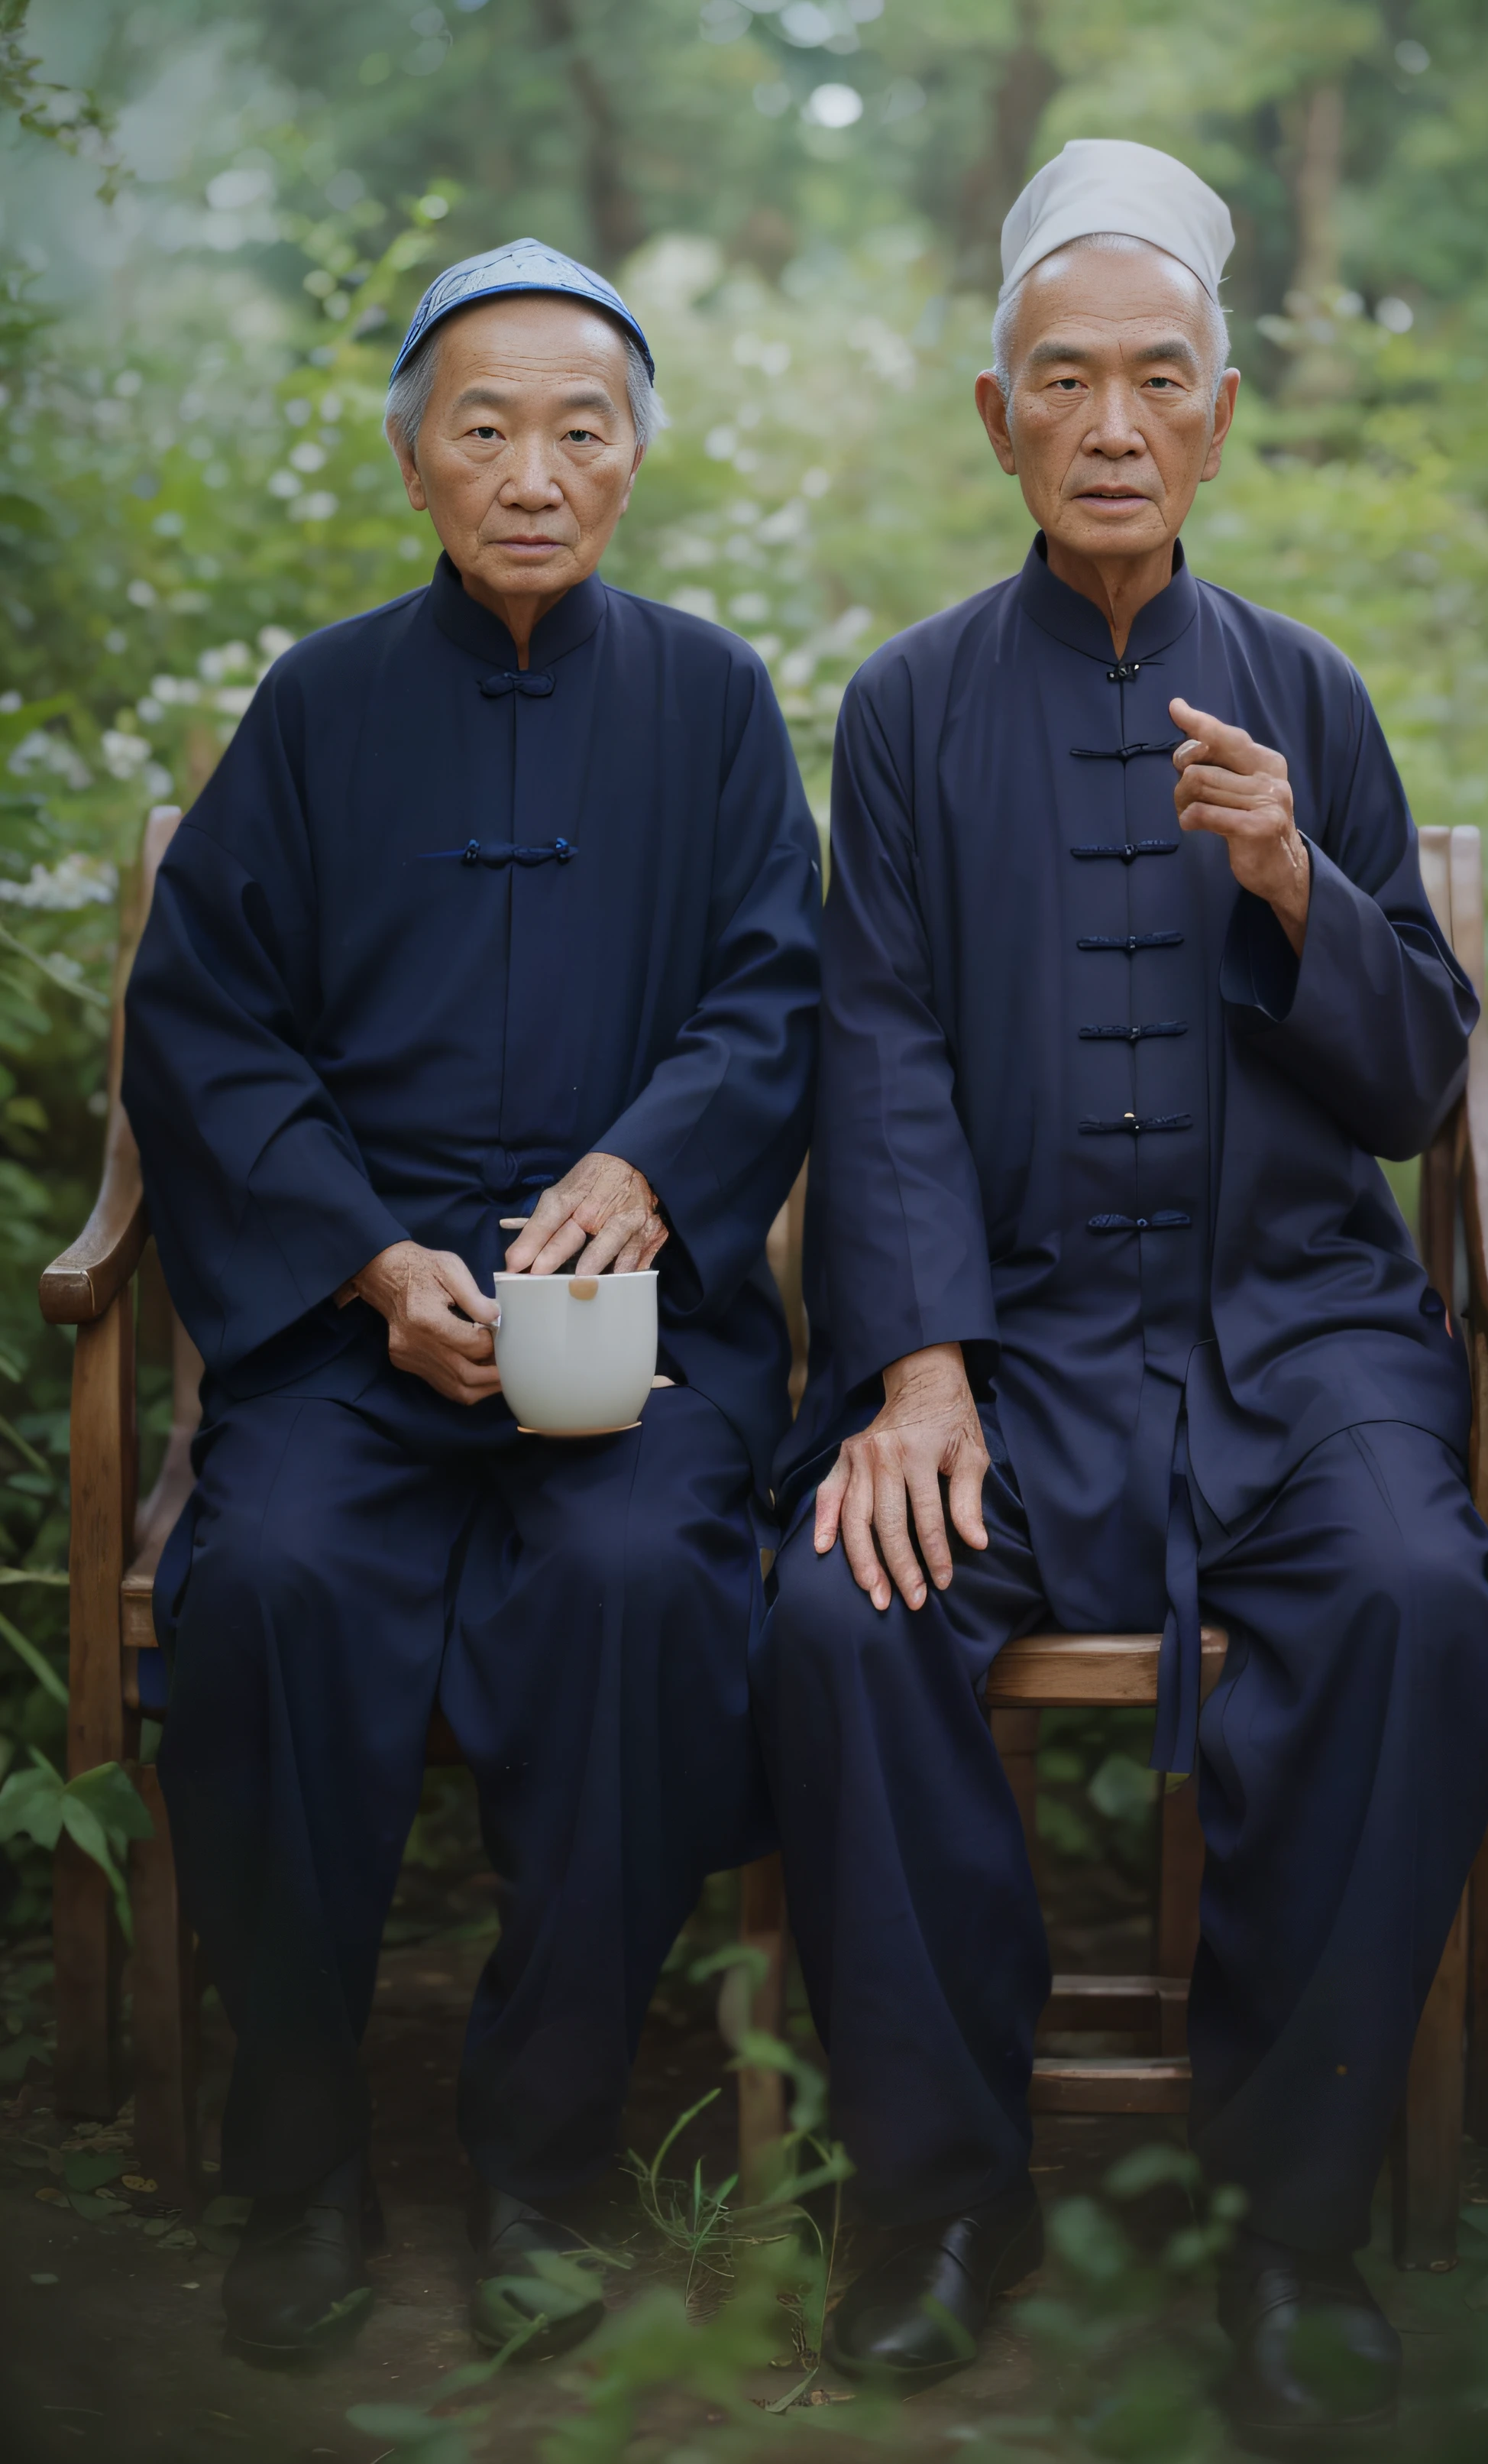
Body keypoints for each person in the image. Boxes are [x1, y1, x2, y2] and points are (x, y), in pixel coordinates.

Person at [752, 141, 1488, 2442]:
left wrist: (1300, 882)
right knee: (837, 1614)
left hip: (1294, 1353)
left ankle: (1286, 2233)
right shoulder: (902, 712)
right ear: (993, 416)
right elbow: (870, 1040)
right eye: (1061, 380)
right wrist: (910, 1368)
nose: (1110, 422)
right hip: (1001, 1353)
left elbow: (1406, 1093)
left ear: (1214, 422)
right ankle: (939, 2199)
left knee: (1410, 1602)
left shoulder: (1309, 691)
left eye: (1155, 381)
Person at [123, 238, 822, 2365]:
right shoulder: (322, 704)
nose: (533, 468)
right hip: (362, 1316)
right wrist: (357, 1248)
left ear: (633, 462)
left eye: (580, 426)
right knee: (274, 1589)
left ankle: (545, 2156)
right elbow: (206, 1021)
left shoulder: (706, 701)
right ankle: (303, 2152)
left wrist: (640, 1170)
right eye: (488, 423)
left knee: (635, 1591)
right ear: (416, 452)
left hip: (629, 1318)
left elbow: (776, 995)